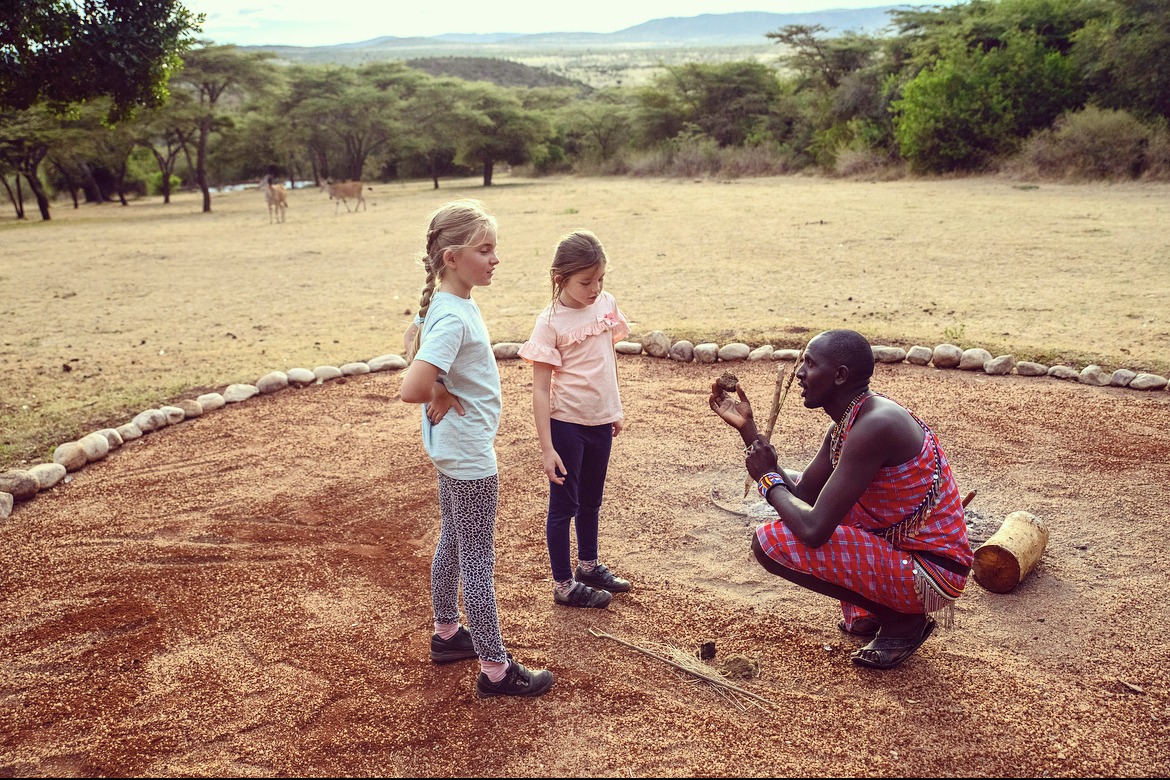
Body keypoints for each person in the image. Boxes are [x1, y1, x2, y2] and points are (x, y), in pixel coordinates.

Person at [709, 329, 972, 670]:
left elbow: (813, 528)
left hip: (932, 575)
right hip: (912, 556)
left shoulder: (875, 426)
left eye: (810, 364)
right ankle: (881, 609)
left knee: (769, 542)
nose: (800, 373)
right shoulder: (849, 424)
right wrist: (749, 432)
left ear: (840, 376)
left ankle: (901, 619)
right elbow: (803, 496)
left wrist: (767, 478)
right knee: (808, 497)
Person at [400, 199, 554, 699]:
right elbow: (411, 385)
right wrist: (436, 388)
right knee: (478, 559)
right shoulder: (453, 317)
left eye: (494, 250)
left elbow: (411, 337)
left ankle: (448, 635)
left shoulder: (451, 305)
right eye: (484, 250)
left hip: (454, 449)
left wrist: (442, 386)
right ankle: (495, 667)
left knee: (454, 539)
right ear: (451, 257)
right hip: (468, 456)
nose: (494, 259)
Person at [518, 230, 632, 609]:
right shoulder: (549, 323)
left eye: (600, 279)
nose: (595, 288)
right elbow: (539, 389)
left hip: (600, 422)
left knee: (591, 501)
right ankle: (564, 584)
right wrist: (547, 447)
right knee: (564, 506)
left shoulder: (606, 304)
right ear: (559, 279)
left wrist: (613, 409)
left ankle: (588, 566)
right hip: (566, 426)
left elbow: (605, 360)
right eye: (586, 282)